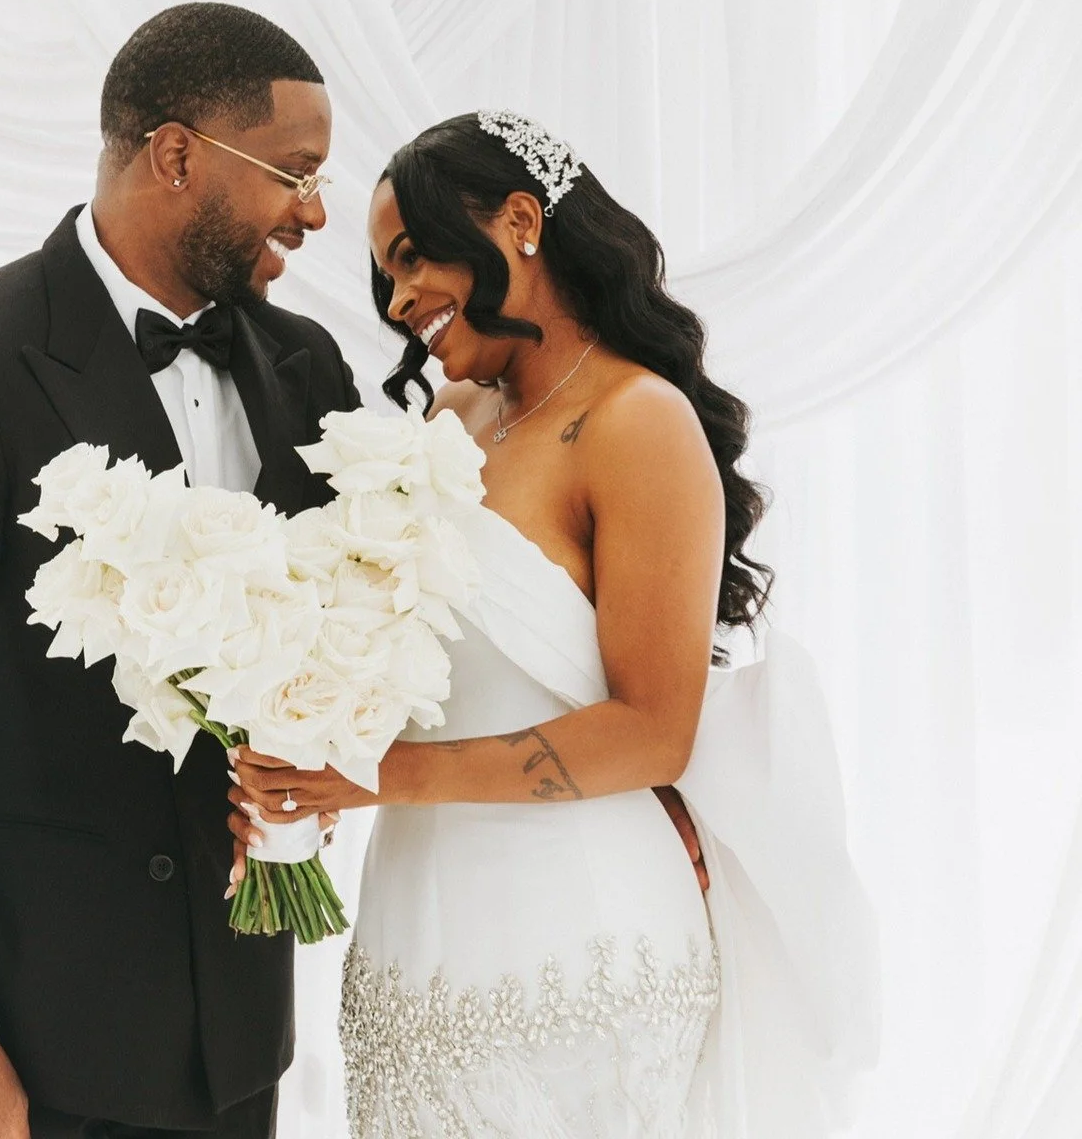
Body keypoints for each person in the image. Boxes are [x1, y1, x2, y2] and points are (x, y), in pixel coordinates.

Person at [232, 110, 878, 1138]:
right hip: (412, 930)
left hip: (578, 939)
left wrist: (379, 776)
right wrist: (299, 753)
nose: (399, 303)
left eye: (411, 261)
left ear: (521, 222)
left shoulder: (637, 421)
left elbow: (653, 728)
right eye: (383, 278)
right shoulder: (453, 419)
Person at [0, 2, 362, 1139]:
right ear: (176, 155)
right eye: (293, 173)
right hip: (19, 1045)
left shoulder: (307, 367)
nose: (315, 212)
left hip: (231, 1038)